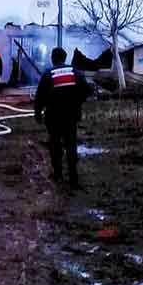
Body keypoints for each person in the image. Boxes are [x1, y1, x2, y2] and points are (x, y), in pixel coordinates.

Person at [34, 47, 92, 189]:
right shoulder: (75, 72)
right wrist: (77, 103)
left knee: (55, 144)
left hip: (53, 117)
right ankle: (73, 178)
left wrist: (37, 113)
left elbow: (40, 96)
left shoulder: (48, 74)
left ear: (53, 58)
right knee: (71, 145)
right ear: (65, 58)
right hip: (71, 116)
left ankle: (58, 174)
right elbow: (86, 90)